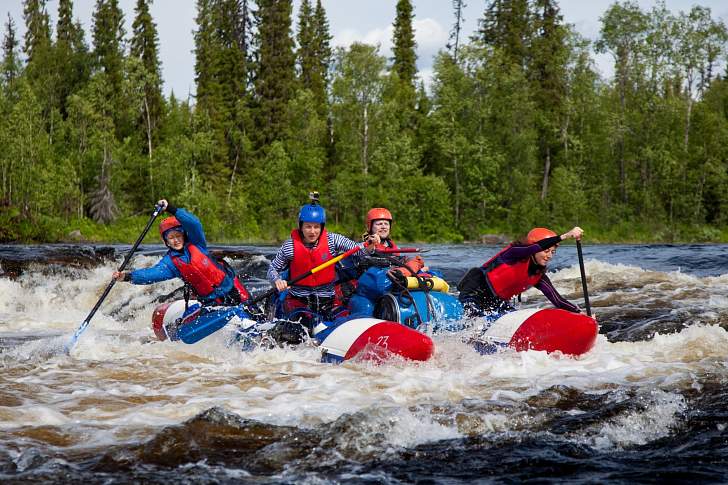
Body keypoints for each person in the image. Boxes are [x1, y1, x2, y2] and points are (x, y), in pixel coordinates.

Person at [267, 195, 378, 331]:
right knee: (301, 327)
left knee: (344, 322)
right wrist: (277, 280)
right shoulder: (289, 246)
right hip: (298, 301)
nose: (312, 231)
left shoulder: (333, 240)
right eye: (308, 227)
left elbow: (357, 250)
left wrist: (370, 246)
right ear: (301, 226)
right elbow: (272, 269)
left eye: (316, 227)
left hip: (328, 301)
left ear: (322, 227)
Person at [113, 199, 251, 307]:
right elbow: (151, 274)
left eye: (178, 236)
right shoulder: (170, 263)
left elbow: (194, 223)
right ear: (166, 242)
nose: (176, 240)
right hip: (210, 302)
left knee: (252, 314)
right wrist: (126, 276)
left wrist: (171, 208)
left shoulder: (197, 243)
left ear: (183, 235)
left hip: (231, 289)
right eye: (171, 238)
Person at [457, 226, 584, 318]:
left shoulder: (538, 276)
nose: (549, 256)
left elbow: (557, 300)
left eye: (552, 252)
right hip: (474, 292)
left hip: (495, 302)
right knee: (475, 318)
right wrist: (565, 236)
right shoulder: (514, 253)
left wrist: (580, 313)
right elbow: (536, 246)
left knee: (512, 317)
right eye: (546, 251)